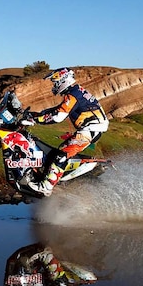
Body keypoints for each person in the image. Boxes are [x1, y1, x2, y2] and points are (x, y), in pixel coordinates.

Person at [26, 68, 109, 196]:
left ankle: (46, 186)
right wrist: (37, 114)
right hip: (92, 128)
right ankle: (55, 179)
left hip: (91, 130)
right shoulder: (75, 92)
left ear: (63, 80)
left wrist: (37, 119)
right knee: (59, 152)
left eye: (56, 82)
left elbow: (58, 116)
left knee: (61, 155)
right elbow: (58, 109)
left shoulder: (73, 95)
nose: (54, 86)